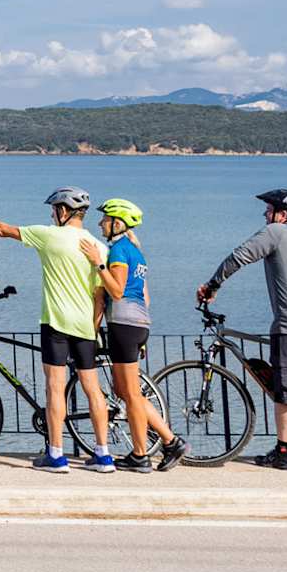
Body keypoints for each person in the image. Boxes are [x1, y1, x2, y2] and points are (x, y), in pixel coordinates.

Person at [0, 186, 115, 473]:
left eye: (53, 211)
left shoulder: (49, 236)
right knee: (92, 389)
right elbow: (101, 296)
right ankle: (103, 455)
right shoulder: (100, 247)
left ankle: (57, 455)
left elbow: (2, 229)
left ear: (63, 211)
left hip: (56, 323)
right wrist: (94, 327)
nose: (51, 216)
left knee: (54, 387)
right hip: (87, 326)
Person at [197, 188, 287, 472]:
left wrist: (212, 286)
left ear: (281, 215)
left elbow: (239, 256)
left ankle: (284, 453)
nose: (265, 215)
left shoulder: (276, 233)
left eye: (268, 211)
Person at [97, 199, 186, 472]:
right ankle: (171, 442)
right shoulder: (136, 251)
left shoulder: (120, 251)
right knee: (125, 390)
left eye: (105, 219)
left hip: (123, 324)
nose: (101, 223)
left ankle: (140, 454)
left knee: (132, 395)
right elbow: (145, 296)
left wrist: (98, 265)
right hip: (138, 324)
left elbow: (117, 291)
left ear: (118, 223)